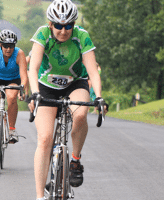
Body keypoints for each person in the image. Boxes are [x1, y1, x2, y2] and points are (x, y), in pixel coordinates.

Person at [27, 0, 108, 199]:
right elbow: (33, 68)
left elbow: (92, 72)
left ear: (74, 24)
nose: (63, 31)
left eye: (69, 25)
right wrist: (35, 93)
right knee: (45, 139)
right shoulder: (42, 34)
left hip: (75, 83)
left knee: (80, 114)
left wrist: (98, 97)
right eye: (58, 26)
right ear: (50, 24)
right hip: (46, 86)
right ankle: (39, 196)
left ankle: (75, 160)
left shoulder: (82, 36)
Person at [0, 29, 28, 152]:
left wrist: (23, 89)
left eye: (11, 46)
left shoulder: (19, 54)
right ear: (1, 45)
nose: (8, 49)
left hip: (13, 80)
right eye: (5, 46)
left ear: (15, 46)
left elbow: (24, 76)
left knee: (12, 98)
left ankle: (12, 129)